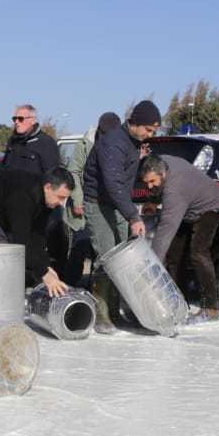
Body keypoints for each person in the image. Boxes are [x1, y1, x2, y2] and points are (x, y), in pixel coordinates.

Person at [83, 100, 162, 332]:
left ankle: (116, 311)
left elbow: (127, 180)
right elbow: (113, 183)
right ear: (135, 122)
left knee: (122, 258)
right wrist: (133, 216)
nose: (149, 135)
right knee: (107, 255)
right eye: (148, 129)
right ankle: (101, 313)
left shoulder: (133, 142)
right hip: (98, 202)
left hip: (117, 203)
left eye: (153, 131)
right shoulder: (113, 143)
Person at [0, 167, 75, 297]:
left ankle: (9, 297)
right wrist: (44, 273)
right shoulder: (22, 197)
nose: (62, 203)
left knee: (17, 257)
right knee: (2, 255)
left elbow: (37, 236)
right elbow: (22, 241)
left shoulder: (46, 200)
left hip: (0, 212)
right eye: (60, 197)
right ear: (48, 187)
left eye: (65, 199)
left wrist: (46, 266)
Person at [139, 154, 219, 320]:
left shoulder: (174, 191)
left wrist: (151, 264)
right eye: (146, 182)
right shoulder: (160, 161)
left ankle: (211, 306)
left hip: (211, 206)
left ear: (163, 174)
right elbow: (158, 187)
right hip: (188, 208)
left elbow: (165, 231)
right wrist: (153, 200)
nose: (149, 186)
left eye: (152, 182)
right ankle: (179, 301)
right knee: (174, 255)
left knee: (198, 252)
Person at [64, 112, 120, 285]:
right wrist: (78, 200)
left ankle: (97, 290)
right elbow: (73, 171)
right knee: (79, 247)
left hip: (106, 206)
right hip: (82, 206)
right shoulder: (86, 143)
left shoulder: (118, 143)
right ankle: (71, 288)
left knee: (104, 252)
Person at [2, 104, 61, 175]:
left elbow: (52, 175)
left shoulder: (46, 143)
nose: (16, 122)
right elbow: (3, 168)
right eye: (14, 119)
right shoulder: (12, 141)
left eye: (21, 119)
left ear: (33, 120)